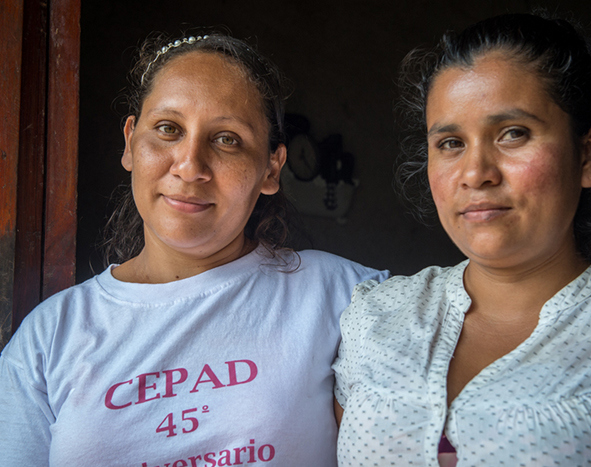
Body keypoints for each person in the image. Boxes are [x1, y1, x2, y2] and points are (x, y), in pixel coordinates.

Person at [0, 32, 387, 466]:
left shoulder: (342, 298)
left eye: (227, 139)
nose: (189, 165)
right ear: (130, 142)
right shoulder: (49, 338)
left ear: (271, 169)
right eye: (168, 129)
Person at [333, 14, 591, 466]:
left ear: (589, 153)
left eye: (513, 134)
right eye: (450, 143)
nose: (477, 173)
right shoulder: (376, 317)